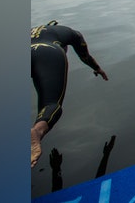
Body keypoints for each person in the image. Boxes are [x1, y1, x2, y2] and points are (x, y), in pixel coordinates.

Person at [31, 21, 108, 168]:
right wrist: (97, 68)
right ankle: (37, 131)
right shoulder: (70, 32)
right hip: (48, 52)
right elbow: (84, 55)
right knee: (51, 103)